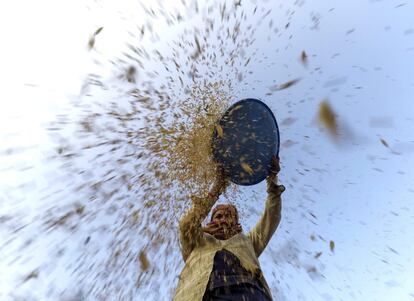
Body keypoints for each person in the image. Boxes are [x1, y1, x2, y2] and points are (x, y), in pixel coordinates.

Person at [173, 156, 285, 301]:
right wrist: (217, 187)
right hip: (200, 293)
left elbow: (272, 217)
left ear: (236, 222)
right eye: (218, 216)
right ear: (210, 221)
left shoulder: (248, 241)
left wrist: (272, 180)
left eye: (229, 216)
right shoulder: (197, 238)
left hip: (248, 293)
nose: (224, 220)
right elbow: (186, 224)